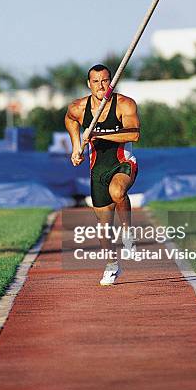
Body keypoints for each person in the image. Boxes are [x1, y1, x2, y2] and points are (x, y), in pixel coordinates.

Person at [65, 64, 140, 285]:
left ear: (112, 82)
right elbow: (69, 119)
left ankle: (127, 233)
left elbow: (134, 135)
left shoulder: (124, 104)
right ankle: (112, 266)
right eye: (96, 81)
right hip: (98, 169)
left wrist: (99, 134)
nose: (101, 86)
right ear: (89, 84)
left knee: (117, 191)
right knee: (104, 225)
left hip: (122, 163)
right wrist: (76, 147)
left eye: (105, 81)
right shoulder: (79, 107)